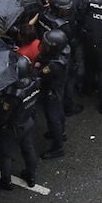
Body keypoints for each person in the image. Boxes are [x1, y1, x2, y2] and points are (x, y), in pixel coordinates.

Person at [0, 55, 40, 189]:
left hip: (13, 126)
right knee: (29, 149)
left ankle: (6, 181)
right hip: (28, 121)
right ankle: (31, 176)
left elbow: (4, 114)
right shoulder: (33, 82)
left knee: (6, 155)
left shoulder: (13, 93)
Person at [37, 28, 69, 159]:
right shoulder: (64, 52)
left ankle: (58, 147)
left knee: (53, 119)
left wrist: (37, 67)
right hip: (58, 89)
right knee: (59, 112)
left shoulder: (54, 65)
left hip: (51, 92)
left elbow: (40, 75)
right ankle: (61, 133)